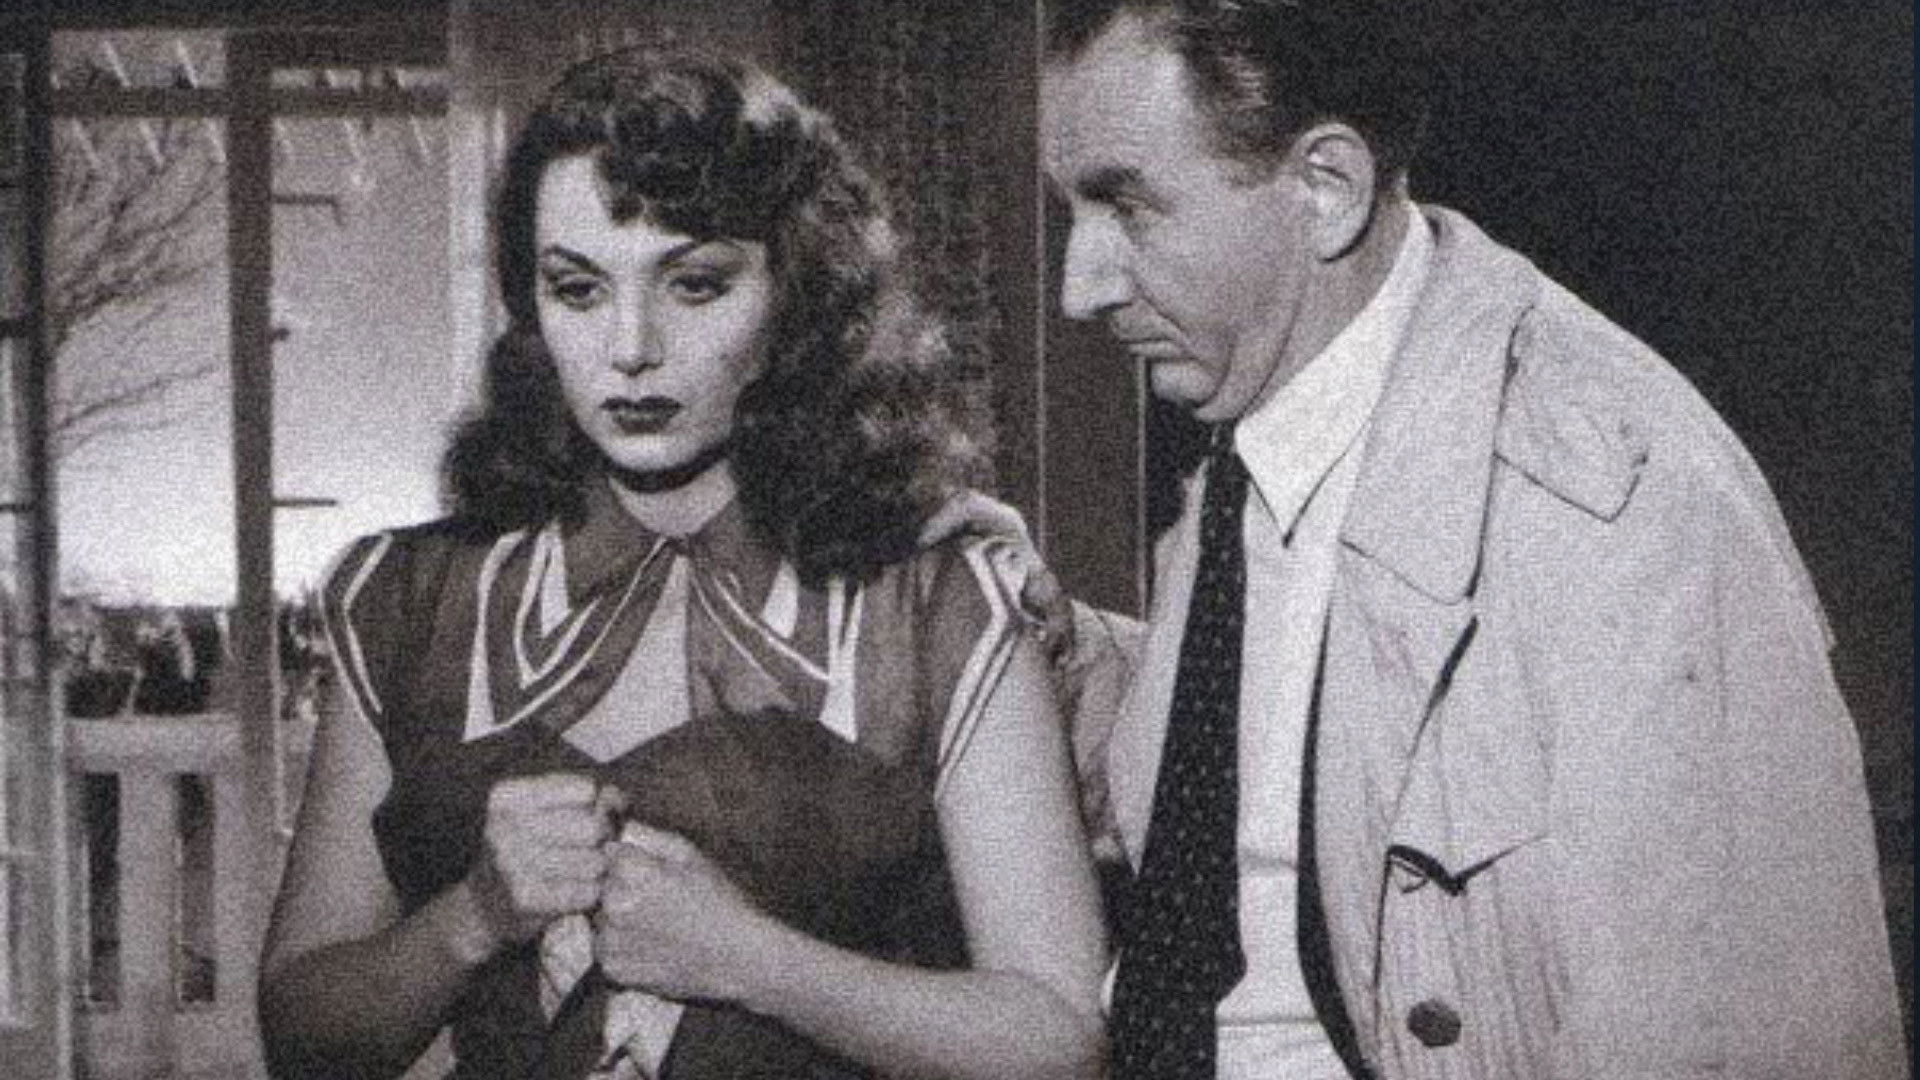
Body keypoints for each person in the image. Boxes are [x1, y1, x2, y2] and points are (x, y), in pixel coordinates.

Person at [1031, 1, 1908, 1078]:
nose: (1080, 288)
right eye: (1075, 213)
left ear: (1326, 188)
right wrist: (1086, 663)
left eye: (1128, 207)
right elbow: (1312, 765)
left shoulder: (1620, 513)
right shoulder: (1280, 404)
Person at [258, 44, 1106, 1080]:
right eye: (578, 289)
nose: (631, 347)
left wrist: (756, 963)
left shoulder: (936, 601)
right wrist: (471, 917)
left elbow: (1061, 1042)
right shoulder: (407, 603)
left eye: (695, 285)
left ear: (799, 294)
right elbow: (302, 1040)